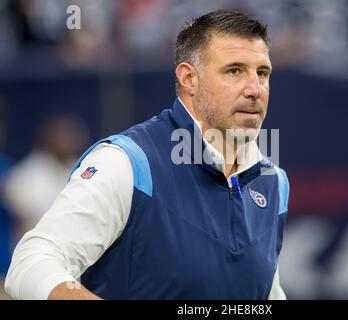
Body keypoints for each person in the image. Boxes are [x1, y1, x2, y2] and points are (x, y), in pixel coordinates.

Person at [4, 10, 290, 300]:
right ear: (189, 78)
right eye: (234, 70)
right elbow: (31, 263)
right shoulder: (126, 163)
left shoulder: (274, 182)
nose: (255, 89)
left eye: (262, 73)